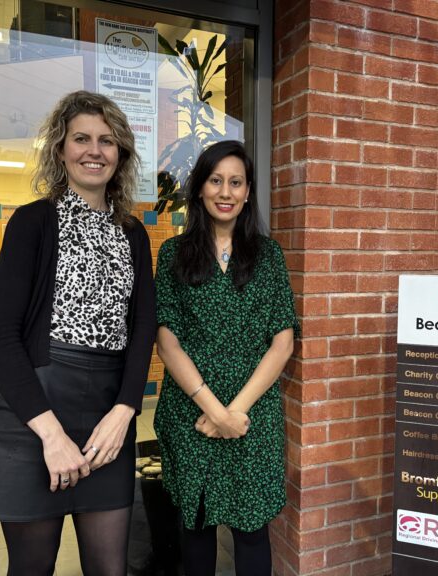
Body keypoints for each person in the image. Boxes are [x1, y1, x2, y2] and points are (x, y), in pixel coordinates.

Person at [0, 90, 156, 575]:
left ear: (121, 155)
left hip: (105, 419)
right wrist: (51, 435)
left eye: (107, 141)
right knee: (32, 568)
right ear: (61, 150)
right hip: (34, 416)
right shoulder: (34, 222)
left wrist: (125, 409)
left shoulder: (133, 233)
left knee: (110, 569)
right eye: (82, 139)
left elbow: (142, 330)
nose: (95, 150)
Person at [154, 140, 299, 576]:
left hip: (250, 414)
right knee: (196, 528)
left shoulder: (269, 256)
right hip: (192, 411)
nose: (226, 191)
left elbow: (282, 343)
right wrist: (214, 412)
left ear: (248, 191)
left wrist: (233, 413)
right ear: (199, 189)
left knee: (251, 529)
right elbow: (167, 341)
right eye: (216, 180)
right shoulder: (173, 255)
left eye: (236, 182)